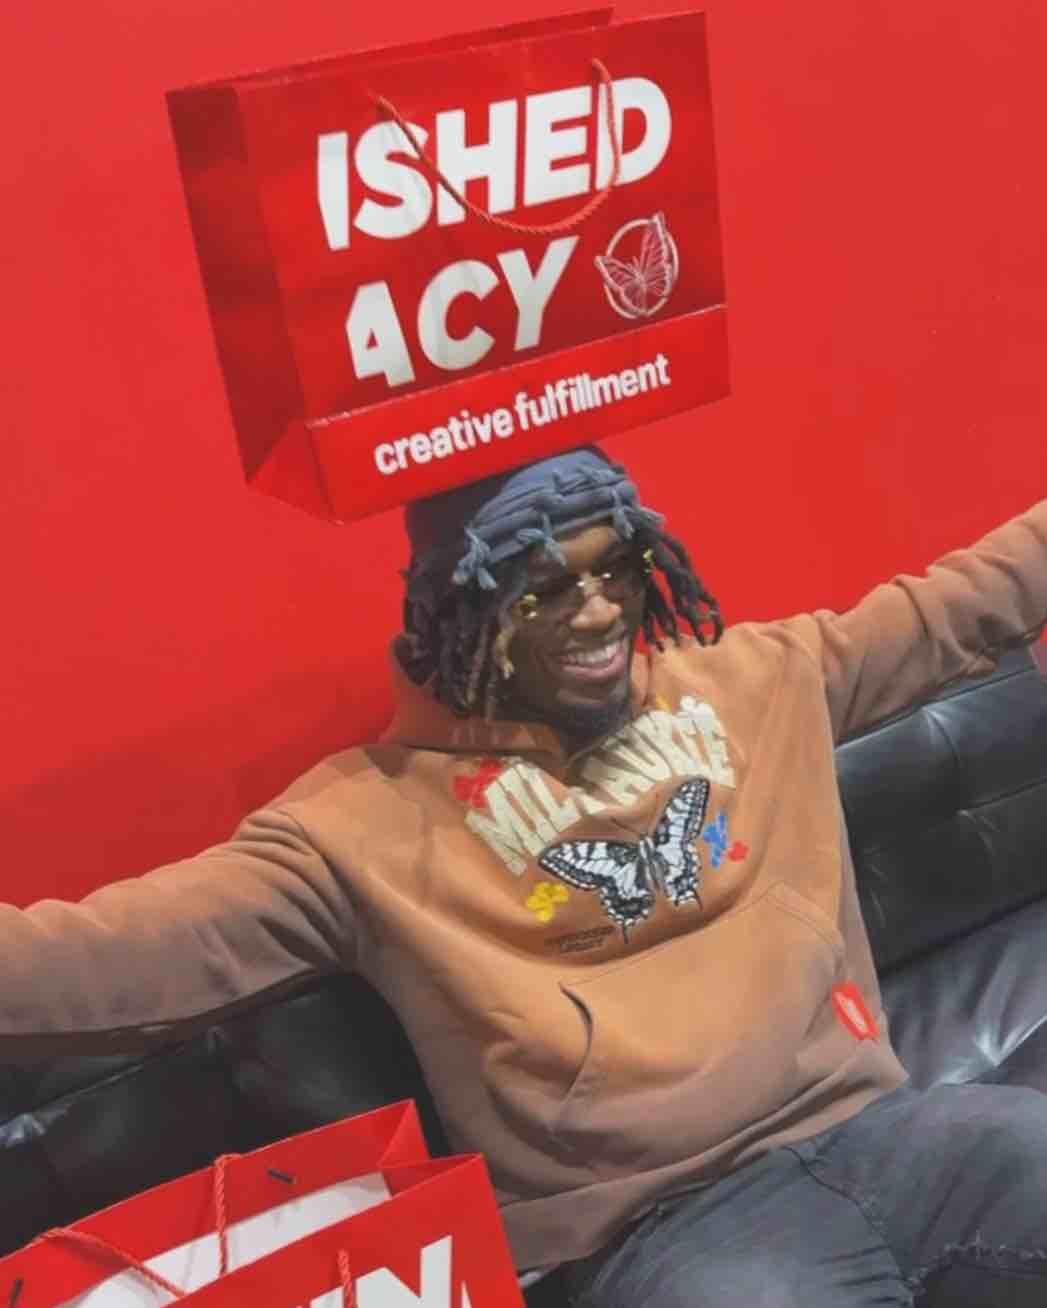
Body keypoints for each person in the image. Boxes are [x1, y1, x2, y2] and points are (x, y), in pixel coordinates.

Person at [2, 445, 1046, 1306]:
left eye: (614, 571)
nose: (595, 614)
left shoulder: (761, 681)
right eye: (542, 591)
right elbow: (102, 961)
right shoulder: (357, 828)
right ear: (457, 614)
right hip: (666, 1230)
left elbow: (960, 606)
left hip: (885, 1130)